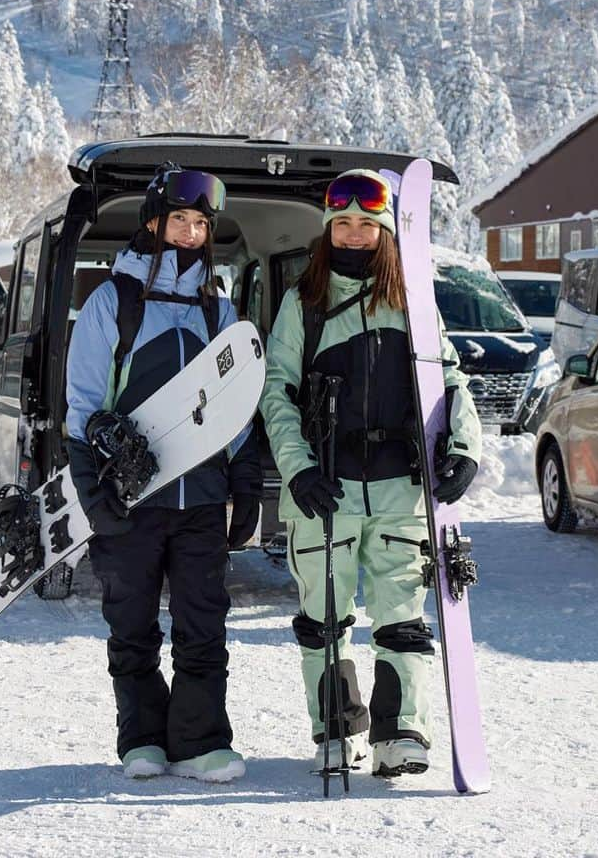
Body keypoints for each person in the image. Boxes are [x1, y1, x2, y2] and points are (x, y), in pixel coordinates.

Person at [260, 167, 482, 777]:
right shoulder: (301, 303)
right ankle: (336, 729)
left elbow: (450, 378)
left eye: (367, 225)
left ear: (386, 232)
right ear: (328, 229)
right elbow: (275, 393)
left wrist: (464, 445)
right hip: (322, 487)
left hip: (398, 485)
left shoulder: (411, 300)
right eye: (343, 224)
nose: (354, 235)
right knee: (323, 618)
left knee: (401, 611)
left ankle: (400, 731)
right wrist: (298, 470)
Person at [65, 163, 262, 783]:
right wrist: (93, 491)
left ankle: (201, 742)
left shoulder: (216, 311)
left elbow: (236, 409)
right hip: (131, 497)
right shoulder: (112, 302)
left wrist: (244, 481)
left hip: (200, 496)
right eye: (181, 218)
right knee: (132, 624)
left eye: (201, 223)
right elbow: (82, 404)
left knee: (203, 623)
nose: (190, 232)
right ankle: (143, 739)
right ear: (154, 221)